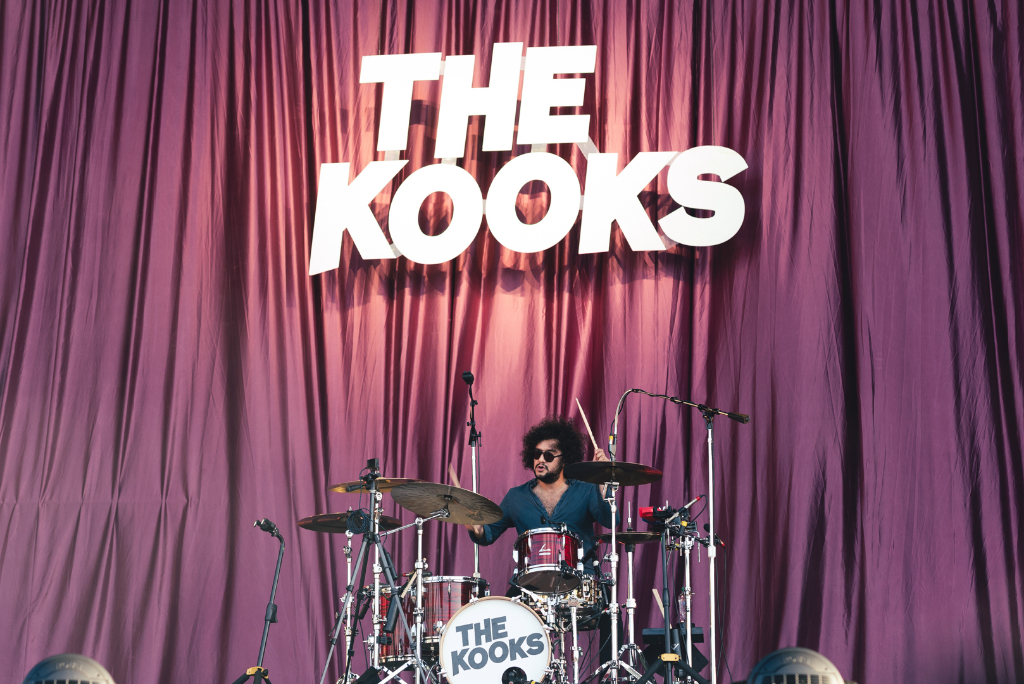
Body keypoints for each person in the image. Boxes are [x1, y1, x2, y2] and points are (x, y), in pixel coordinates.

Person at [464, 415, 617, 560]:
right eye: (537, 454)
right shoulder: (516, 496)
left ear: (565, 460)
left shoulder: (587, 490)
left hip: (579, 576)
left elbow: (611, 520)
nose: (541, 460)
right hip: (532, 577)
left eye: (549, 455)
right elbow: (488, 534)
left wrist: (601, 480)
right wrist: (476, 528)